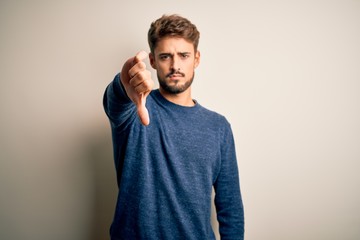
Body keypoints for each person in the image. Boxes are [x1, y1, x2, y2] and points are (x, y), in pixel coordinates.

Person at [103, 14, 244, 240]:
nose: (175, 65)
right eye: (166, 56)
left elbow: (231, 209)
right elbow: (116, 101)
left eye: (184, 55)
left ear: (196, 59)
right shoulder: (135, 108)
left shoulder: (219, 127)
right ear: (152, 60)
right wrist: (122, 83)